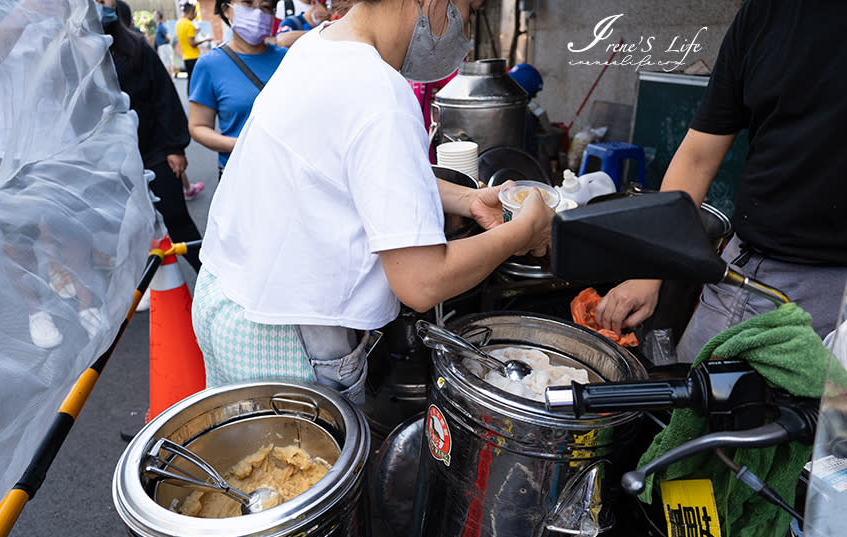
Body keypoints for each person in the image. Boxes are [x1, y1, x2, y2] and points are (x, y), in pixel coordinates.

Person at [192, 0, 554, 404]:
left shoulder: (318, 46)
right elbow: (422, 281)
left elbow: (347, 172)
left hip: (229, 302)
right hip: (288, 338)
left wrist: (469, 199)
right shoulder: (380, 92)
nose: (463, 32)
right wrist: (522, 232)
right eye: (467, 11)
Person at [595, 0, 847, 362]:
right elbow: (698, 156)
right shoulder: (765, 13)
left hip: (832, 288)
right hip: (763, 278)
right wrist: (651, 271)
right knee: (698, 409)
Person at [97, 0, 203, 273]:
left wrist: (175, 148)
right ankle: (141, 287)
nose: (99, 3)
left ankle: (211, 283)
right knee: (122, 232)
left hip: (154, 152)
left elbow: (164, 99)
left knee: (178, 219)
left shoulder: (137, 48)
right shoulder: (69, 56)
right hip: (105, 164)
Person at [188, 0, 287, 177]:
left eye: (265, 7)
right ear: (226, 9)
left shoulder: (289, 59)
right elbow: (198, 127)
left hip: (286, 171)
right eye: (248, 3)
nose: (256, 14)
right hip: (239, 173)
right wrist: (240, 144)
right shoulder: (209, 64)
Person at [175, 2, 210, 94]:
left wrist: (195, 32)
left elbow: (185, 37)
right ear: (191, 12)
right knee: (197, 80)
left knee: (190, 80)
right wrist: (205, 40)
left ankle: (190, 97)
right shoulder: (190, 25)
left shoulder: (179, 23)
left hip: (186, 56)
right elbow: (192, 43)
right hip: (193, 56)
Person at [153, 10, 177, 79]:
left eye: (154, 15)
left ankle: (171, 78)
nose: (153, 16)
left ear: (158, 16)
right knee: (165, 63)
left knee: (168, 63)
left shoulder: (162, 26)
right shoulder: (158, 26)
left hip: (165, 46)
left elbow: (168, 37)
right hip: (161, 47)